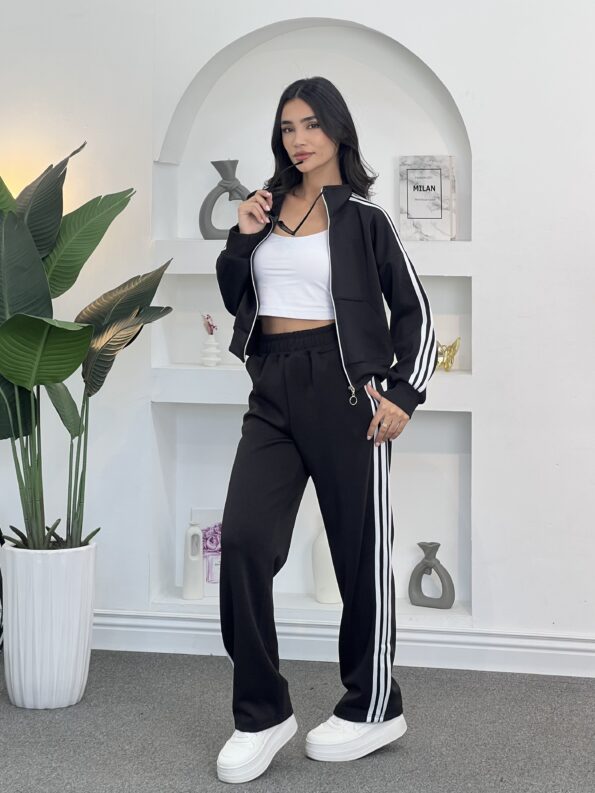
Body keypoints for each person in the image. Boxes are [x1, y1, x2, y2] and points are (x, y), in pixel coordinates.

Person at [215, 76, 438, 784]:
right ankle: (261, 713)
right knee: (244, 540)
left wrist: (403, 392)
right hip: (272, 387)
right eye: (287, 127)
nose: (299, 139)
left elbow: (416, 311)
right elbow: (236, 292)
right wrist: (240, 237)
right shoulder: (264, 206)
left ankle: (372, 705)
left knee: (359, 555)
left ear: (338, 129)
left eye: (311, 124)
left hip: (347, 393)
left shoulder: (365, 216)